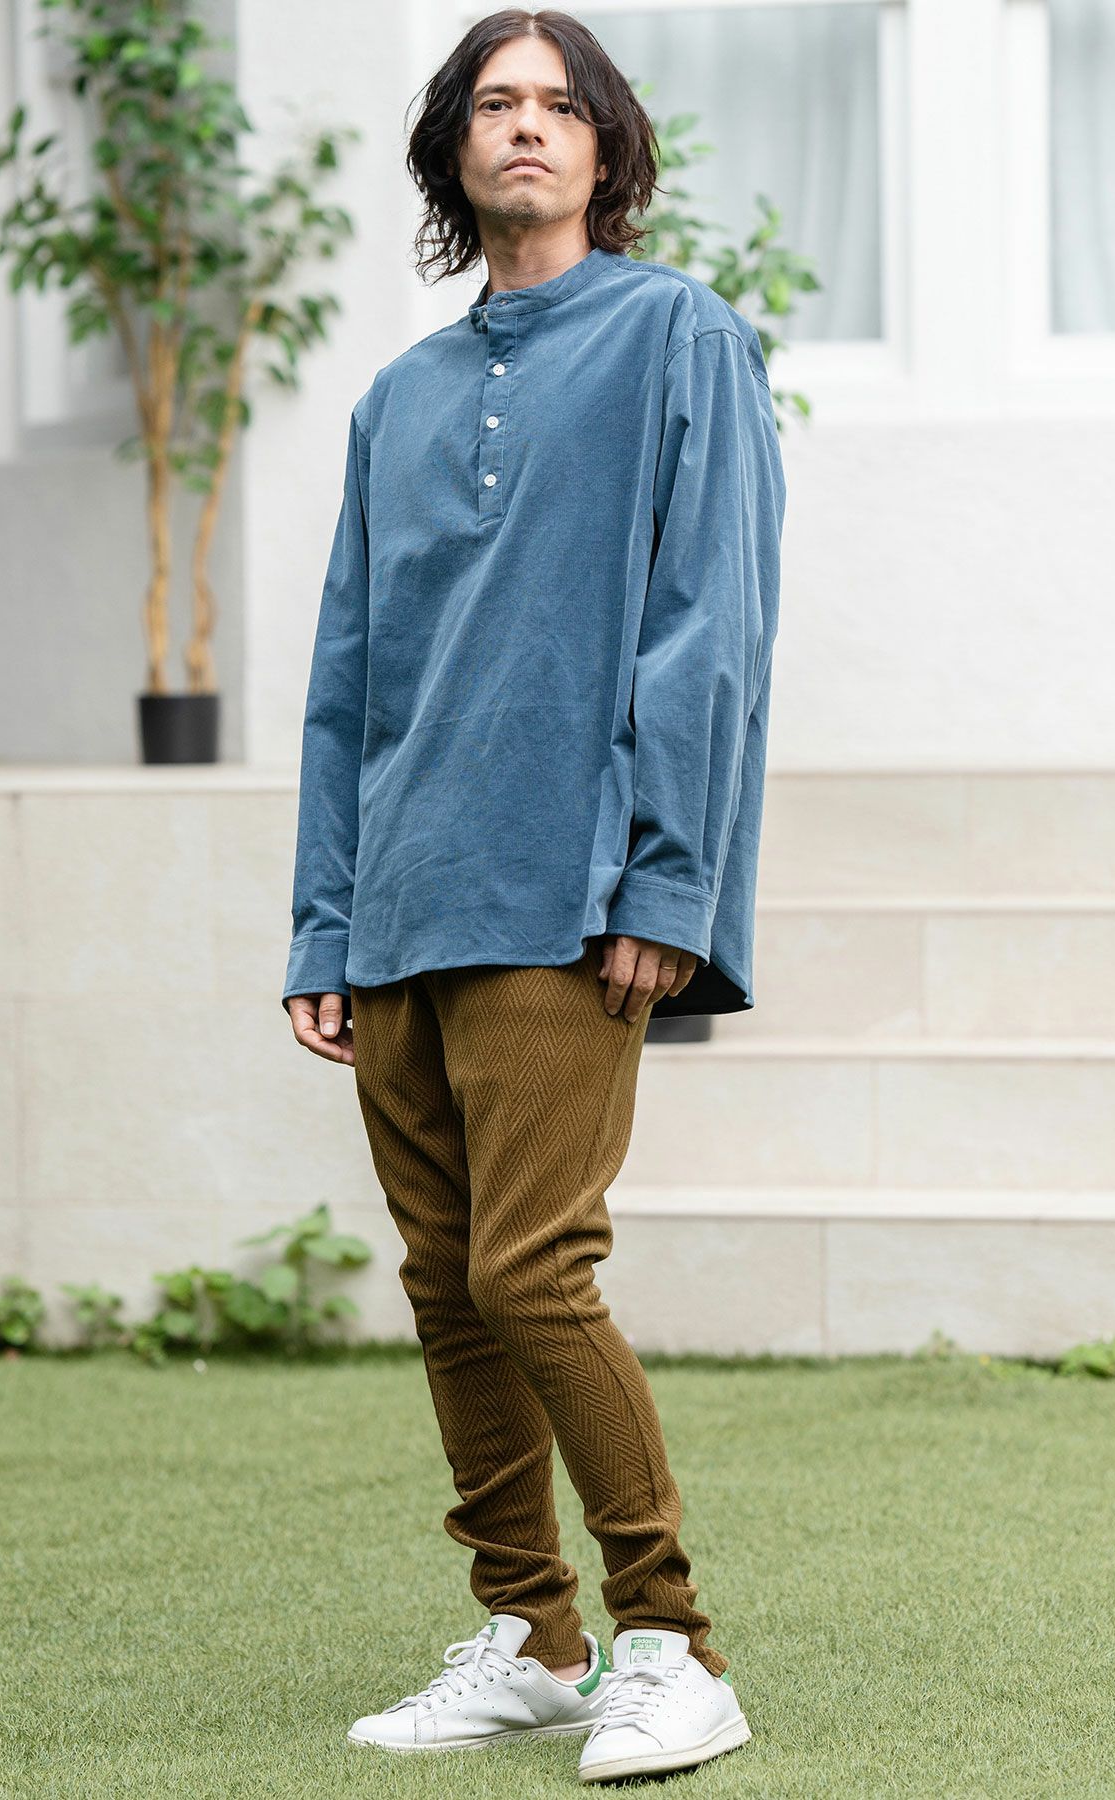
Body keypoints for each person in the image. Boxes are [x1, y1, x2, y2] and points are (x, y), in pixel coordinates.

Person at [281, 6, 785, 1783]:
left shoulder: (678, 337)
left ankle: (671, 1645)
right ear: (453, 147)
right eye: (494, 103)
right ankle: (532, 1638)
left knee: (531, 1268)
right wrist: (325, 918)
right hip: (403, 900)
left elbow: (711, 628)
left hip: (569, 893)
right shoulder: (400, 397)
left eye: (560, 107)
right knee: (447, 1284)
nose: (526, 127)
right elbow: (350, 676)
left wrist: (671, 877)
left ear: (604, 149)